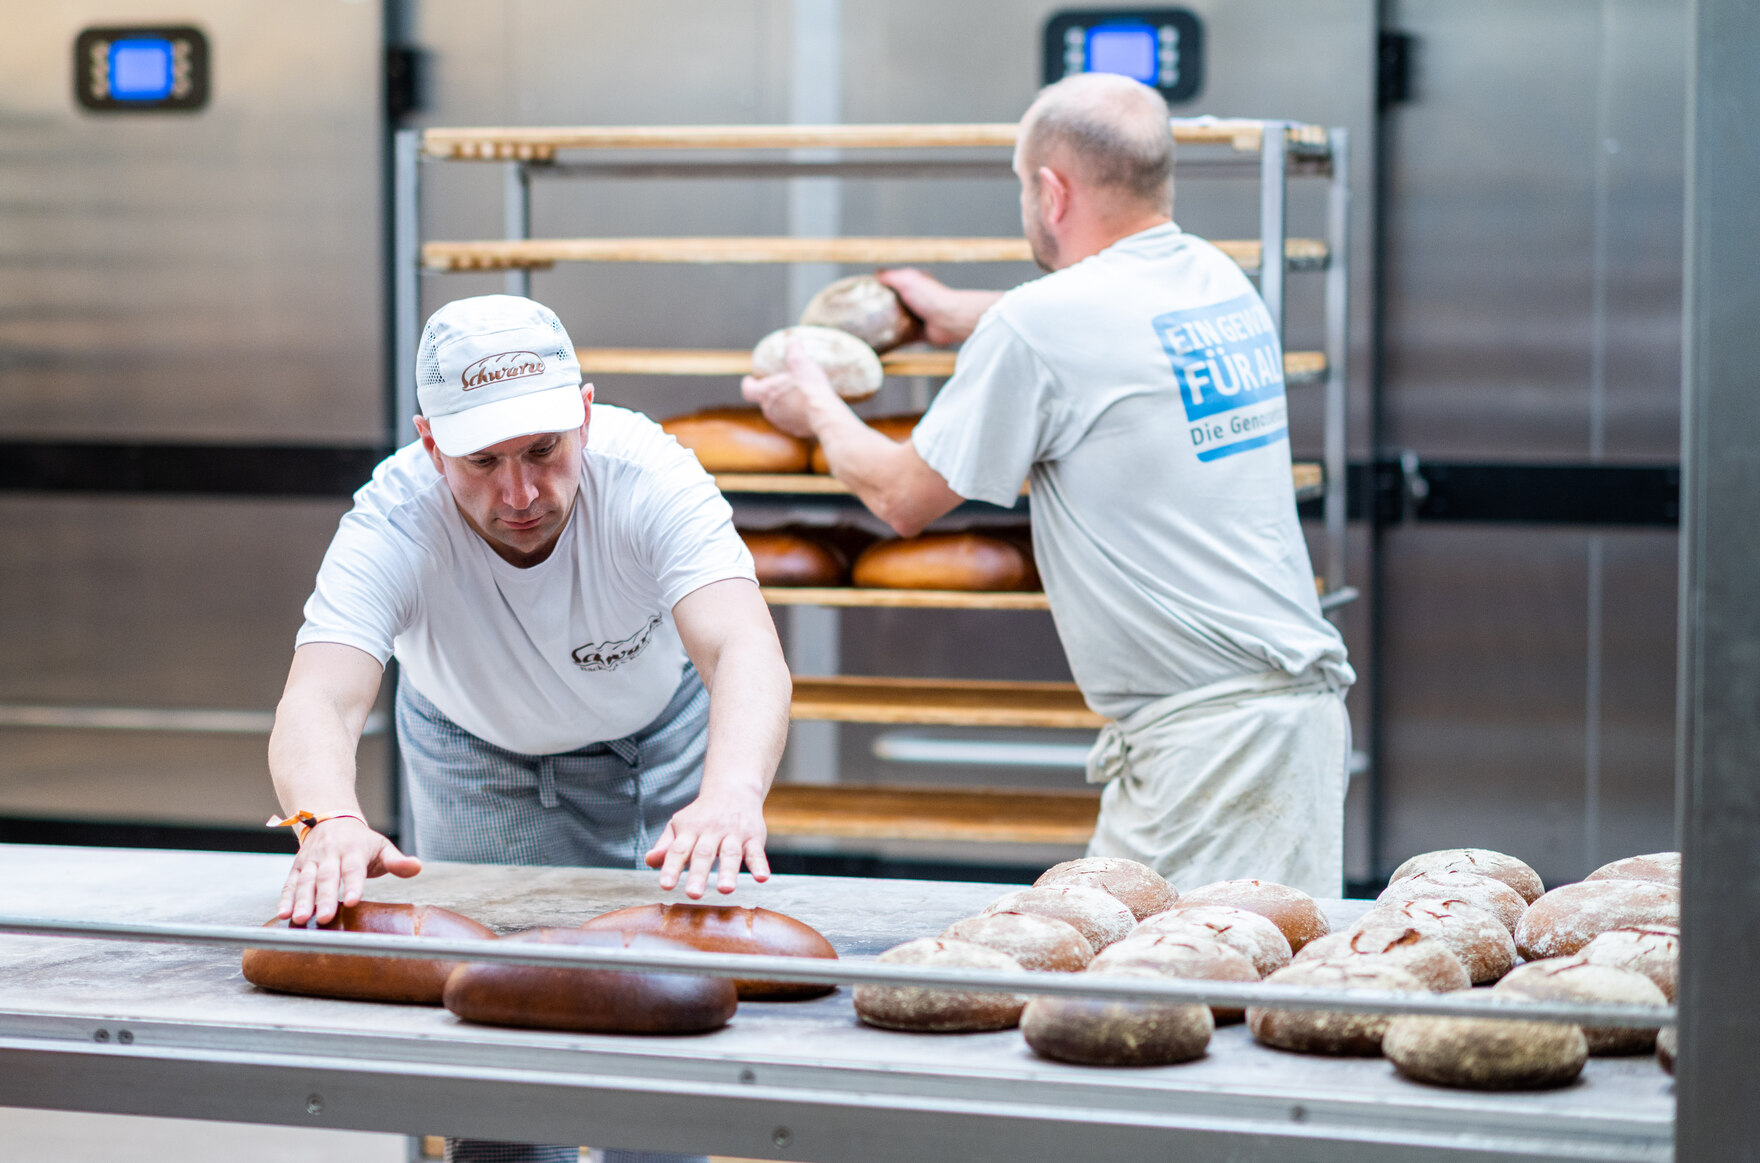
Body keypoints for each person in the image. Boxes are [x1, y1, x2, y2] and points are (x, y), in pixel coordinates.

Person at [743, 73, 1354, 898]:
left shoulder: (1042, 328)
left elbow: (901, 496)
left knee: (1178, 1005)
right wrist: (961, 312)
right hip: (1277, 727)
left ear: (1051, 190)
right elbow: (1090, 328)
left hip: (1216, 757)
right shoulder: (1213, 278)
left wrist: (812, 399)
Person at [271, 294, 790, 1163]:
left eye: (545, 450)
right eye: (482, 460)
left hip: (659, 750)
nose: (519, 493)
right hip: (477, 755)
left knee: (667, 1033)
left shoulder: (650, 477)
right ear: (431, 444)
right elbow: (317, 698)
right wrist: (326, 820)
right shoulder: (394, 519)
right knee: (498, 1053)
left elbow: (745, 647)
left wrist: (731, 793)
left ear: (584, 415)